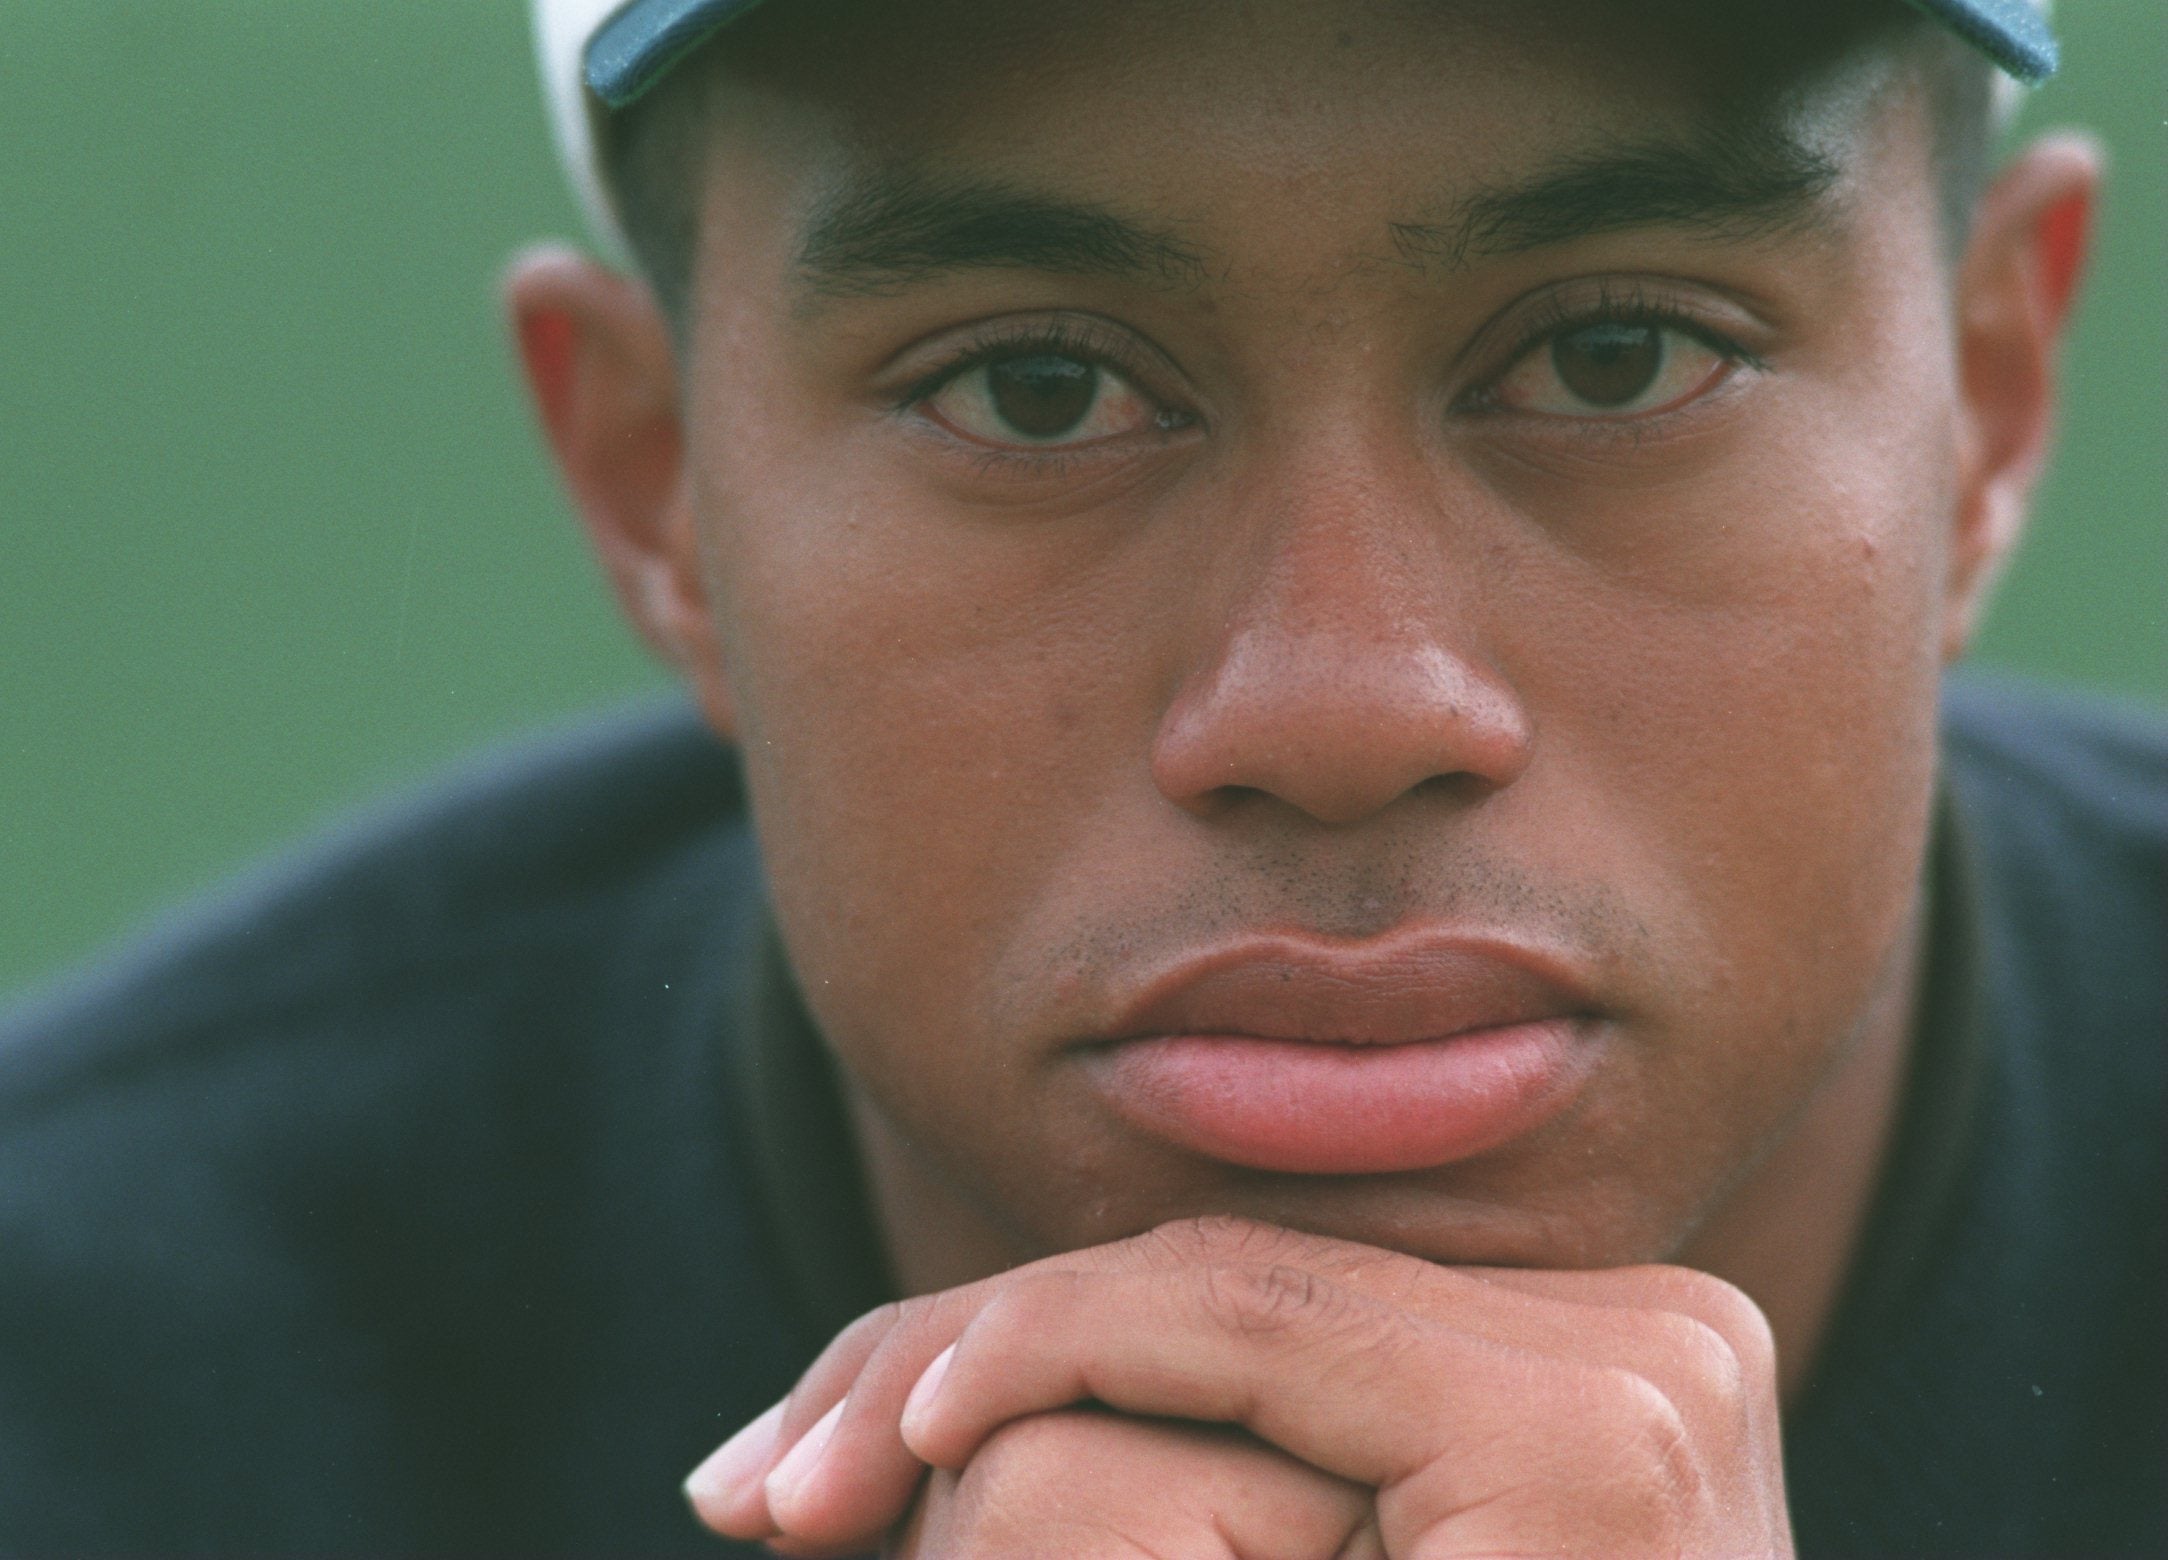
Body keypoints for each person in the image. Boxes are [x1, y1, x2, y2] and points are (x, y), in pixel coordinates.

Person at [0, 0, 2157, 1553]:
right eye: (1036, 389)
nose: (1340, 706)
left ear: (1982, 404)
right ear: (658, 492)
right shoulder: (80, 1404)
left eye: (1615, 352)